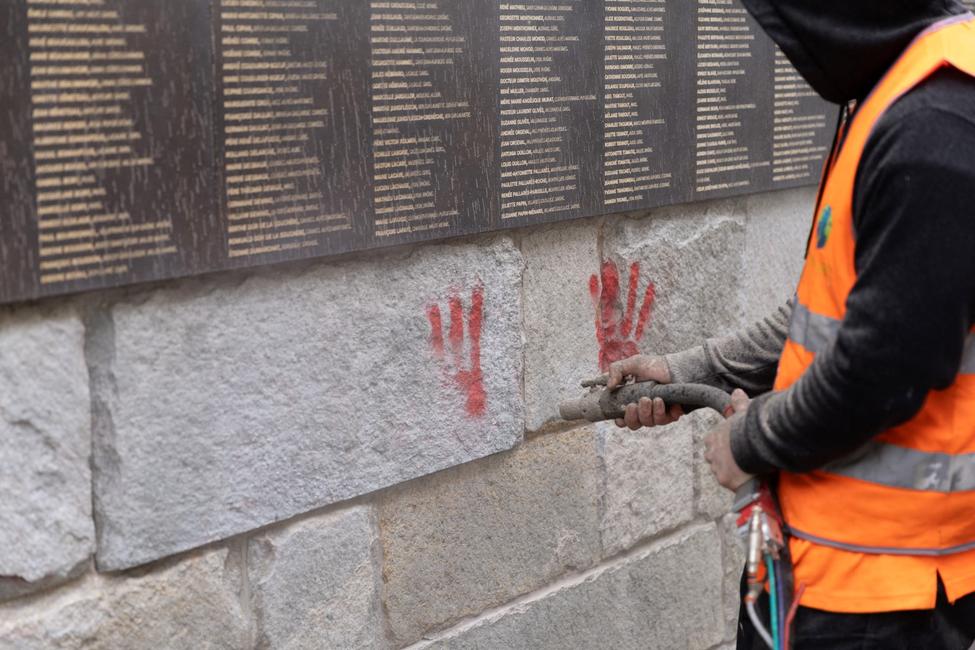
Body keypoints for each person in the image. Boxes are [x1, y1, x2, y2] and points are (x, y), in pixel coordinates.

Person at [608, 0, 975, 647]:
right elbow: (832, 308)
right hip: (831, 567)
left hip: (886, 591)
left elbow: (881, 367)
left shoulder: (934, 121)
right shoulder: (898, 90)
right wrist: (689, 373)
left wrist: (750, 442)